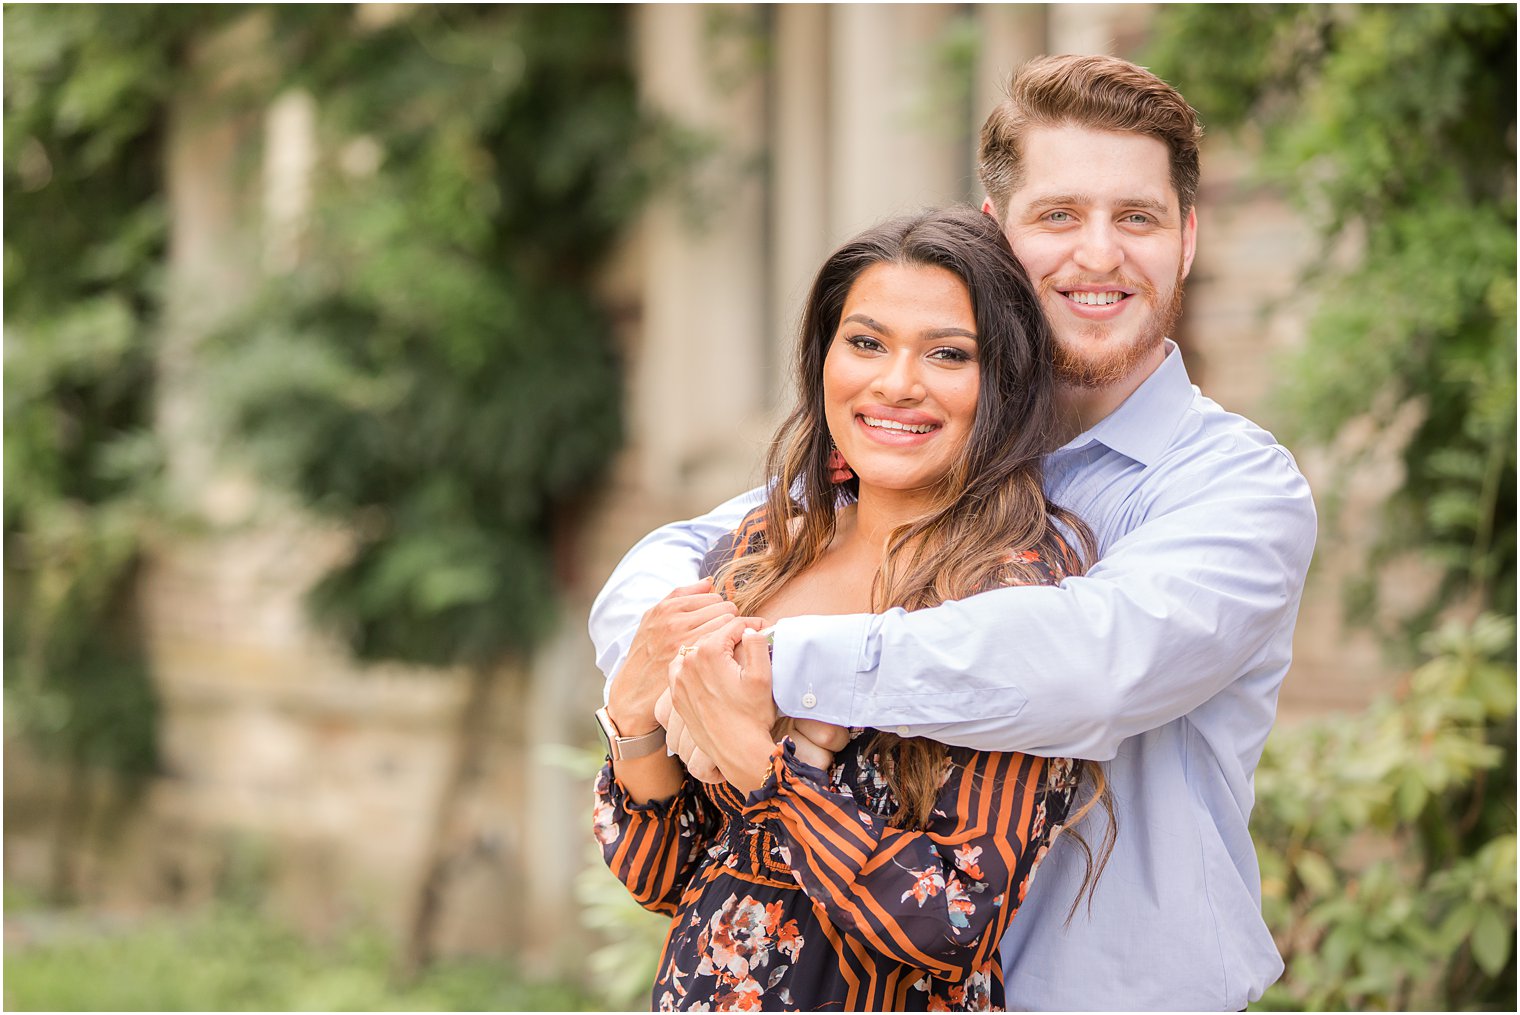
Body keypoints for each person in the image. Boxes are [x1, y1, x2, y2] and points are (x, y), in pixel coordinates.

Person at [592, 54, 1318, 1010]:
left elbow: (1084, 667)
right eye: (1058, 215)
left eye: (1135, 218)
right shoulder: (897, 468)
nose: (1098, 254)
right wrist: (655, 683)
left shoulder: (1236, 486)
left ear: (1187, 239)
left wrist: (761, 674)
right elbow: (673, 561)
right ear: (995, 240)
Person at [593, 206, 1111, 1011]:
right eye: (866, 342)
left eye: (947, 353)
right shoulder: (770, 548)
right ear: (824, 359)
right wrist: (634, 714)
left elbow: (952, 922)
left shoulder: (1015, 594)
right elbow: (665, 875)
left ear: (1002, 382)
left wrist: (768, 768)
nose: (896, 382)